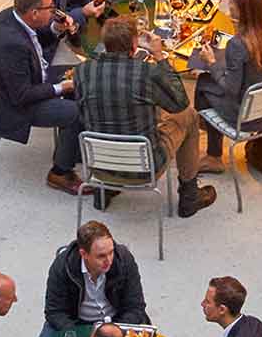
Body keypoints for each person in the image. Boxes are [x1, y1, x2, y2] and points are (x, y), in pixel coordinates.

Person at [78, 14, 216, 218]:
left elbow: (82, 113)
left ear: (105, 44)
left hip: (98, 166)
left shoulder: (82, 71)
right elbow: (180, 103)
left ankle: (104, 190)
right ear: (134, 46)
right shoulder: (146, 72)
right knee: (189, 116)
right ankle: (189, 196)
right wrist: (160, 56)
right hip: (144, 167)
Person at [0, 0, 85, 193]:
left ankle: (73, 148)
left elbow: (36, 40)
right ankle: (60, 172)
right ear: (34, 12)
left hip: (32, 77)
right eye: (50, 8)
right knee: (76, 112)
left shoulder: (14, 16)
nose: (55, 12)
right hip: (16, 105)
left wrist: (56, 28)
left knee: (83, 76)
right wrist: (61, 88)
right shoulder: (11, 45)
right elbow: (22, 95)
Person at [192, 0, 262, 167]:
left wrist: (211, 62)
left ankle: (214, 156)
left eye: (232, 2)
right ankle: (208, 126)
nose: (228, 4)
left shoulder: (238, 44)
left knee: (204, 82)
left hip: (247, 118)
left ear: (242, 11)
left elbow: (230, 89)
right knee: (212, 78)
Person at [39, 220, 148, 337]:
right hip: (78, 325)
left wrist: (113, 332)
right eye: (101, 256)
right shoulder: (63, 266)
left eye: (111, 252)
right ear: (84, 254)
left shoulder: (123, 259)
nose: (108, 260)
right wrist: (78, 335)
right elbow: (55, 312)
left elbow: (135, 306)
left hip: (117, 322)